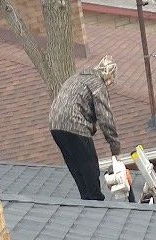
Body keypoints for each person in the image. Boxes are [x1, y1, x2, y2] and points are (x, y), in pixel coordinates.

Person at [48, 57, 120, 202]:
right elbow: (105, 116)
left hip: (55, 125)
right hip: (75, 125)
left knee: (76, 167)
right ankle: (95, 201)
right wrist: (114, 145)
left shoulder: (76, 78)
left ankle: (86, 199)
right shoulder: (97, 84)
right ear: (108, 76)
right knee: (90, 166)